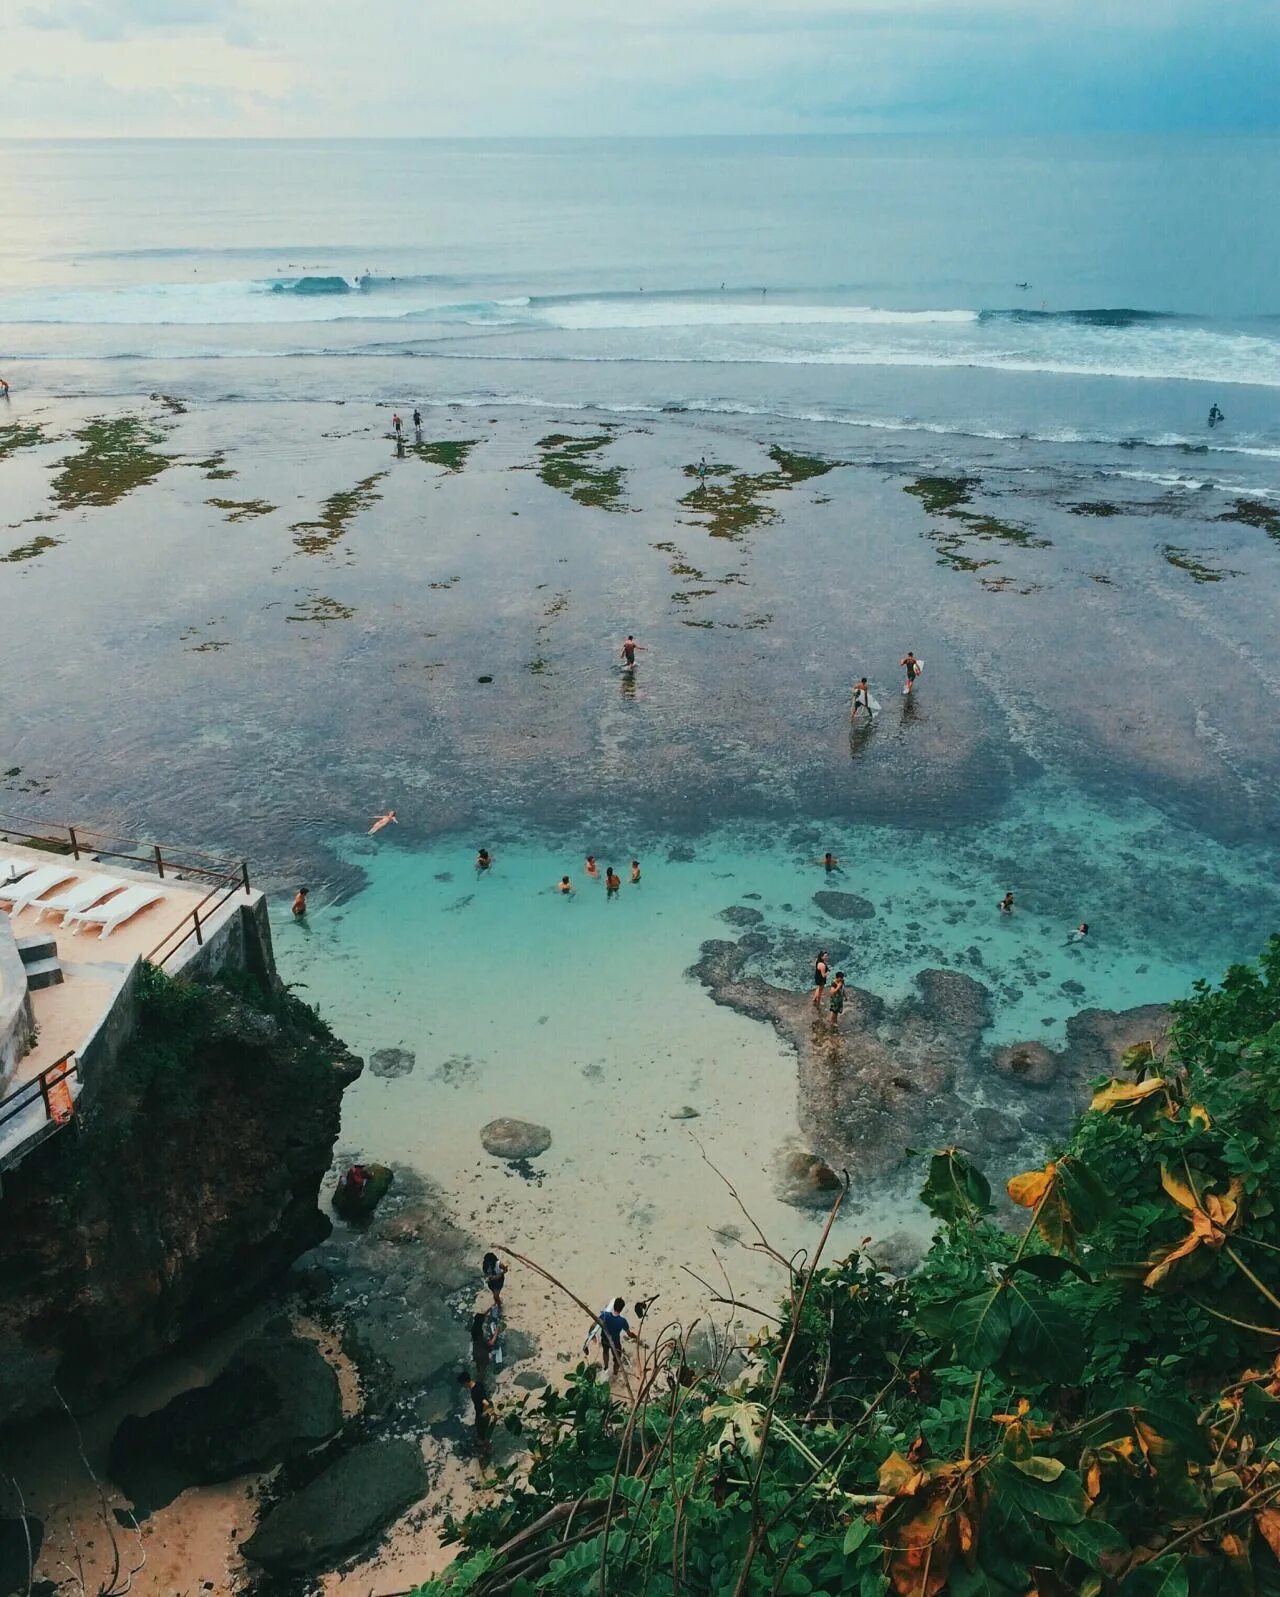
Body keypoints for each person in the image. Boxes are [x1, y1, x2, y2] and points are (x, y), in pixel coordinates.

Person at [458, 1370, 494, 1456]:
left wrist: (484, 1413)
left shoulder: (475, 1392)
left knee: (481, 1431)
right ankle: (485, 1445)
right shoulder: (478, 1384)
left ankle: (486, 1448)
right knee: (482, 1430)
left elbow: (485, 1402)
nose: (463, 1386)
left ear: (466, 1382)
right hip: (484, 1412)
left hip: (481, 1413)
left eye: (463, 1384)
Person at [598, 1301, 636, 1376]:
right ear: (621, 1309)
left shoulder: (604, 1315)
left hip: (605, 1340)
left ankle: (606, 1367)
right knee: (617, 1358)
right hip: (615, 1343)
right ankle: (615, 1372)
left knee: (605, 1352)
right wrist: (634, 1336)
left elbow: (595, 1325)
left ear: (613, 1306)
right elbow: (629, 1334)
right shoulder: (622, 1321)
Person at [470, 1310, 498, 1382]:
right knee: (483, 1371)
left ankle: (477, 1380)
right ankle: (481, 1383)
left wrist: (491, 1306)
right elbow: (491, 1343)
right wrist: (496, 1333)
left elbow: (482, 1315)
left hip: (476, 1353)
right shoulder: (480, 1337)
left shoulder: (474, 1329)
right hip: (482, 1354)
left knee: (479, 1369)